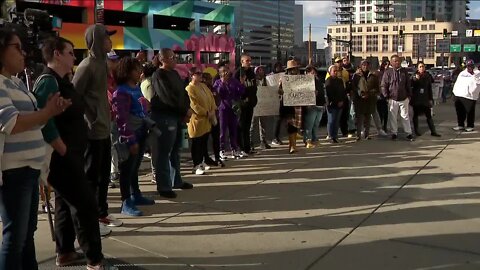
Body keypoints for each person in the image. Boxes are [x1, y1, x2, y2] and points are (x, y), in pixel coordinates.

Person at [35, 36, 117, 269]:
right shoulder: (48, 81)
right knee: (85, 205)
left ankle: (65, 252)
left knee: (64, 203)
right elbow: (42, 117)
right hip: (62, 157)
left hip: (71, 154)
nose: (74, 56)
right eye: (70, 52)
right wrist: (61, 147)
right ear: (57, 54)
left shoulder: (63, 80)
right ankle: (95, 260)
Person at [0, 29, 70, 270]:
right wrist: (47, 112)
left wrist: (52, 111)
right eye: (17, 48)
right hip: (14, 172)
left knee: (26, 234)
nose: (24, 53)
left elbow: (34, 119)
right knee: (15, 238)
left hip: (29, 169)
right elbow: (13, 122)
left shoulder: (15, 82)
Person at [72, 24, 123, 232]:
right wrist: (89, 118)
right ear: (96, 40)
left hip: (104, 128)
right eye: (106, 38)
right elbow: (75, 96)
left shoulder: (102, 64)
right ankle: (91, 220)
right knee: (91, 178)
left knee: (103, 177)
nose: (110, 41)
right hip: (92, 132)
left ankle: (101, 213)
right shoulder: (87, 65)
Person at [112, 57, 155, 216]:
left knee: (134, 168)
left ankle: (136, 195)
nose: (140, 72)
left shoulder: (136, 88)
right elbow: (121, 119)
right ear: (127, 72)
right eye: (136, 69)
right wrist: (130, 140)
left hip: (142, 132)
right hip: (130, 135)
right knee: (126, 169)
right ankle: (126, 202)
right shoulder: (121, 92)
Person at [150, 48, 193, 199]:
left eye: (175, 57)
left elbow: (184, 93)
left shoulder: (174, 74)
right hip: (165, 117)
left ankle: (176, 181)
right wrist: (183, 111)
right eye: (172, 57)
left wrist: (187, 109)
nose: (175, 59)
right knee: (163, 152)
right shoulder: (158, 75)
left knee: (176, 150)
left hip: (177, 116)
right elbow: (167, 97)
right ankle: (164, 186)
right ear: (163, 59)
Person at [186, 68, 217, 175]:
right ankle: (196, 165)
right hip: (197, 120)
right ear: (191, 75)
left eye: (200, 74)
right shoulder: (189, 88)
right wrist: (206, 112)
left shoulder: (203, 86)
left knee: (204, 142)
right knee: (196, 143)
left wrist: (212, 110)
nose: (200, 76)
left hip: (206, 119)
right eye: (197, 74)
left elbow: (211, 98)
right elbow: (193, 105)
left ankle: (202, 161)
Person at [213, 63, 245, 159]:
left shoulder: (233, 81)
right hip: (223, 109)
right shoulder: (217, 82)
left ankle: (234, 149)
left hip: (233, 108)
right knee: (222, 130)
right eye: (224, 72)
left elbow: (240, 92)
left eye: (227, 71)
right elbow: (217, 94)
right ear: (220, 73)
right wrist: (222, 83)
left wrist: (242, 83)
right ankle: (221, 149)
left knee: (233, 129)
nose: (226, 73)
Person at [381, 54, 414, 141]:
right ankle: (394, 133)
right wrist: (386, 96)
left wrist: (409, 96)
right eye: (395, 61)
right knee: (393, 116)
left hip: (403, 98)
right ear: (391, 63)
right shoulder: (388, 72)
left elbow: (408, 84)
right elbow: (384, 85)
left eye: (398, 61)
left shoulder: (404, 71)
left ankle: (408, 133)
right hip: (392, 98)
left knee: (405, 116)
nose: (397, 62)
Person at [279, 59, 303, 154]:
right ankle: (292, 146)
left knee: (296, 126)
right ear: (288, 70)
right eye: (292, 69)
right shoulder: (284, 79)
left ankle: (292, 145)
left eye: (295, 68)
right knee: (291, 126)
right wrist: (281, 91)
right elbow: (279, 91)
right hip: (288, 105)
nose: (294, 70)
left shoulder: (300, 78)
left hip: (298, 105)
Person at [411, 61, 441, 137]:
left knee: (429, 116)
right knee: (416, 115)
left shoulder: (427, 76)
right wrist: (415, 79)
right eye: (420, 67)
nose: (422, 68)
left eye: (423, 66)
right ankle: (416, 131)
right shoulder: (414, 76)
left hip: (425, 98)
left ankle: (433, 131)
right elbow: (411, 84)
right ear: (417, 68)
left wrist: (430, 99)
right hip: (417, 99)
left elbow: (429, 88)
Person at [235, 54, 257, 156]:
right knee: (241, 126)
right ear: (242, 61)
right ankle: (240, 147)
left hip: (250, 103)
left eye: (250, 60)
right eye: (247, 60)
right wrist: (243, 98)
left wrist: (253, 99)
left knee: (247, 126)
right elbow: (235, 88)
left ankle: (247, 148)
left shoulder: (252, 73)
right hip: (242, 104)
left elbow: (254, 87)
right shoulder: (238, 73)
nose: (249, 62)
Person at [352, 60, 380, 140]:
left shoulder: (373, 76)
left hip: (370, 100)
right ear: (360, 66)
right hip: (359, 100)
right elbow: (354, 87)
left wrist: (369, 93)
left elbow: (377, 88)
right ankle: (358, 135)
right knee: (359, 119)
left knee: (368, 118)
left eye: (367, 65)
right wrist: (360, 94)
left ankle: (367, 134)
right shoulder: (356, 76)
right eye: (363, 65)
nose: (365, 66)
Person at [202, 72, 224, 167]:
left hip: (214, 116)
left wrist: (213, 109)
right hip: (205, 117)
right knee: (204, 139)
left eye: (210, 79)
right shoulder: (201, 89)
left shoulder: (213, 88)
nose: (208, 81)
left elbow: (218, 100)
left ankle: (217, 157)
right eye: (206, 79)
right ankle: (205, 158)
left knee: (216, 138)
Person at [452, 59, 480, 132]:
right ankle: (460, 125)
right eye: (468, 66)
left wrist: (474, 75)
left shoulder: (477, 73)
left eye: (471, 66)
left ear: (473, 66)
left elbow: (477, 82)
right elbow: (458, 83)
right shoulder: (462, 73)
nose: (469, 67)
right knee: (460, 111)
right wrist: (455, 93)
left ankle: (470, 125)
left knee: (470, 112)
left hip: (470, 97)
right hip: (459, 95)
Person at [107, 50, 120, 188]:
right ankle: (111, 173)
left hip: (114, 116)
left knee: (114, 144)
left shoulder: (115, 76)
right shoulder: (102, 76)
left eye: (116, 60)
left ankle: (114, 171)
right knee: (110, 145)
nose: (115, 62)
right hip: (105, 116)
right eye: (112, 60)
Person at [303, 65, 325, 148]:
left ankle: (315, 139)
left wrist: (324, 103)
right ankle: (307, 140)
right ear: (307, 73)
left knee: (316, 124)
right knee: (309, 124)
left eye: (314, 72)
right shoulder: (305, 83)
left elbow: (322, 92)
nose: (314, 74)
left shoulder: (318, 81)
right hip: (311, 105)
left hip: (319, 105)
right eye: (312, 72)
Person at [250, 65, 271, 150]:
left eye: (262, 70)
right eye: (259, 70)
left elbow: (270, 91)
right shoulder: (253, 81)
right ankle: (251, 143)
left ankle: (263, 141)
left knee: (263, 124)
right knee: (252, 124)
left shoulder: (266, 80)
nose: (260, 72)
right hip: (255, 105)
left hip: (263, 105)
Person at [325, 65, 347, 143]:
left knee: (337, 121)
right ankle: (330, 136)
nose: (335, 72)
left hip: (340, 104)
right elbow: (329, 93)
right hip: (332, 105)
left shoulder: (340, 80)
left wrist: (342, 101)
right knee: (331, 121)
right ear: (330, 72)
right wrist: (336, 102)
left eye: (336, 71)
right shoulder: (328, 80)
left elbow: (343, 92)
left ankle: (335, 136)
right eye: (334, 71)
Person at [271, 62, 285, 145]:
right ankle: (274, 138)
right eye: (278, 67)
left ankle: (277, 137)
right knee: (277, 119)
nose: (279, 69)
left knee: (280, 120)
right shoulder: (272, 77)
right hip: (275, 101)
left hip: (282, 101)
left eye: (281, 67)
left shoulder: (283, 76)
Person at [376, 60, 390, 132]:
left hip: (386, 95)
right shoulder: (379, 73)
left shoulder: (389, 73)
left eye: (388, 64)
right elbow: (378, 84)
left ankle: (384, 125)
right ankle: (380, 126)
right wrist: (378, 93)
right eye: (385, 64)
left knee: (386, 112)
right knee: (380, 112)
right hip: (380, 95)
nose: (387, 66)